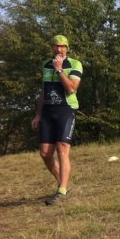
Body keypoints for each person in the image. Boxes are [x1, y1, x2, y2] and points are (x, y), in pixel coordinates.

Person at [31, 35, 83, 205]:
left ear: (67, 48)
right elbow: (43, 92)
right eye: (56, 46)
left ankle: (61, 191)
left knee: (62, 148)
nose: (59, 50)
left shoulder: (75, 64)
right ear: (52, 48)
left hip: (65, 110)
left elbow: (71, 89)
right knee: (45, 153)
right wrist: (38, 114)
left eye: (62, 47)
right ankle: (63, 183)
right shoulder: (45, 65)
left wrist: (60, 70)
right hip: (47, 112)